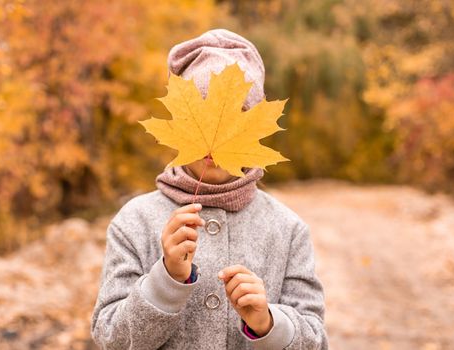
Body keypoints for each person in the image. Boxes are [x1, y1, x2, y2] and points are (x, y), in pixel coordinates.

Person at [90, 28, 328, 350]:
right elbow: (110, 340)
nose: (212, 144)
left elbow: (315, 340)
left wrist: (268, 323)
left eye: (236, 120)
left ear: (253, 131)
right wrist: (166, 280)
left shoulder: (287, 230)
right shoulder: (135, 221)